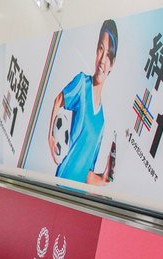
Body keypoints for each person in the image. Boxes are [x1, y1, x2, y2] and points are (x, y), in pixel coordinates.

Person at [48, 19, 118, 185]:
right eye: (101, 49)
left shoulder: (101, 120)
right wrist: (50, 135)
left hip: (78, 197)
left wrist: (104, 178)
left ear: (112, 65)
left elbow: (88, 175)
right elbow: (58, 100)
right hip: (62, 181)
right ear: (96, 52)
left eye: (108, 55)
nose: (102, 60)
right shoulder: (81, 83)